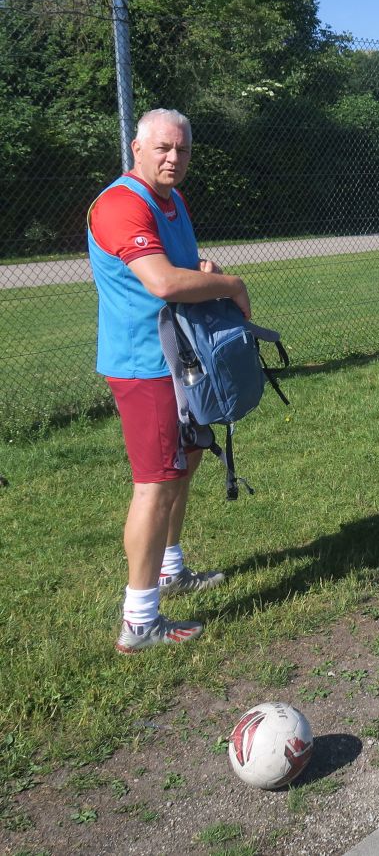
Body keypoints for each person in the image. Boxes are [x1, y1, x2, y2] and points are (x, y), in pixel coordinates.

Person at [89, 108, 251, 653]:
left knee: (187, 461)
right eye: (162, 148)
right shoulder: (121, 204)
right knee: (155, 483)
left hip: (182, 358)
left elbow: (177, 264)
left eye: (182, 149)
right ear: (136, 148)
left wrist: (202, 268)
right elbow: (160, 282)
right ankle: (139, 622)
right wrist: (231, 285)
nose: (173, 158)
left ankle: (169, 569)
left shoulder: (172, 200)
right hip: (145, 366)